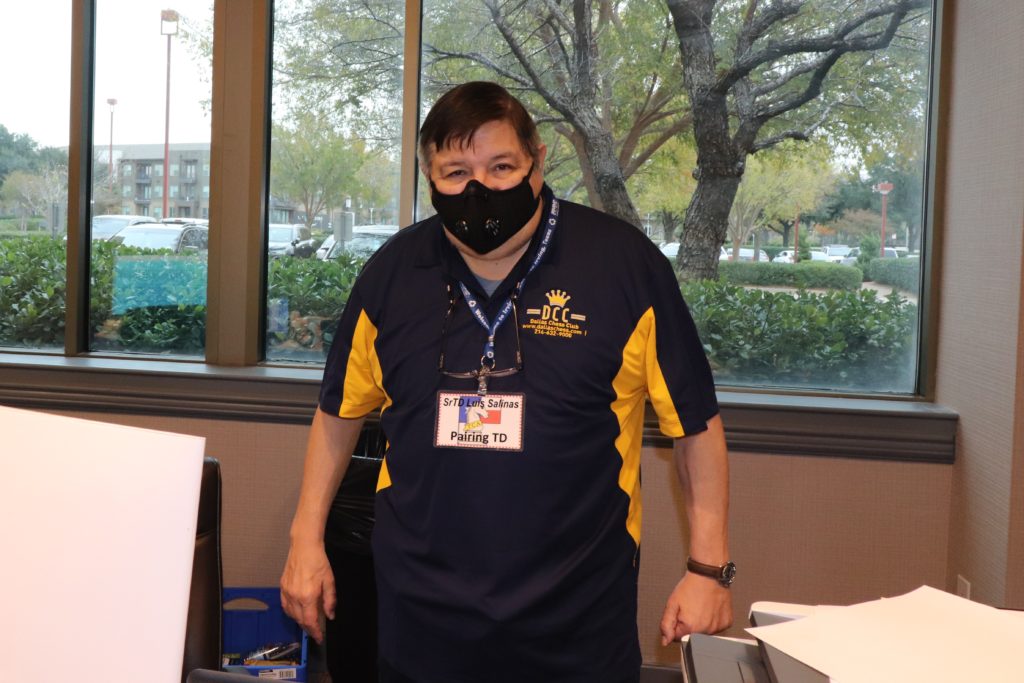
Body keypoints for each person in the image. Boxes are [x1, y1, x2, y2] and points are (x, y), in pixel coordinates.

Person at [280, 81, 733, 683]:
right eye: (455, 171)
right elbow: (338, 415)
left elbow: (696, 428)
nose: (479, 189)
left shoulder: (623, 267)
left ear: (538, 162)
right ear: (428, 176)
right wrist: (304, 541)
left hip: (575, 619)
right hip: (421, 616)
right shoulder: (392, 275)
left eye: (501, 167)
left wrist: (708, 570)